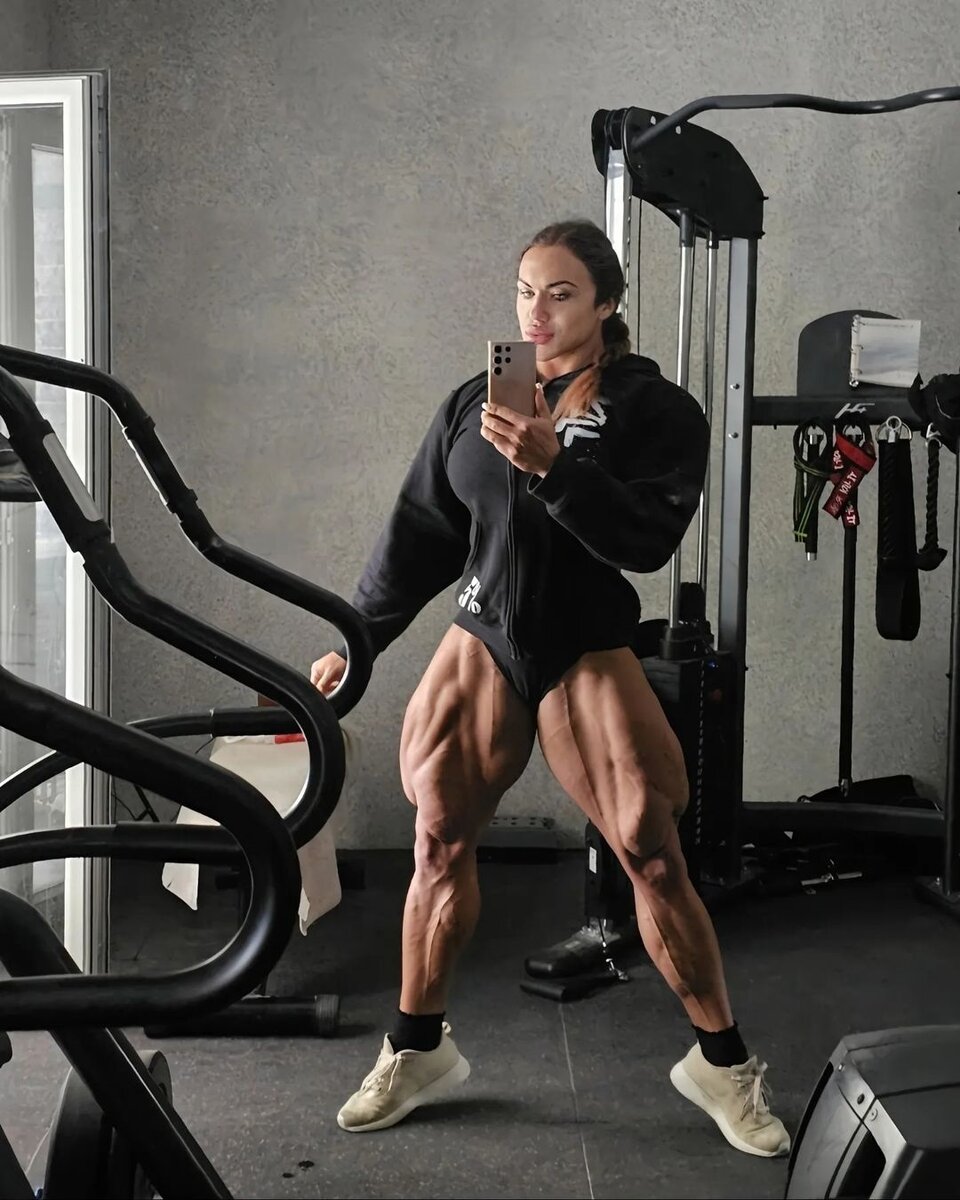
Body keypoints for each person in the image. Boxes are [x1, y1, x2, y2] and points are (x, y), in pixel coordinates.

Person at [310, 219, 789, 1158]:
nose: (537, 311)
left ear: (606, 302)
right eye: (526, 291)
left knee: (650, 847)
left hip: (583, 640)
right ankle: (416, 1048)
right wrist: (354, 645)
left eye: (561, 293)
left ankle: (723, 1065)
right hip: (485, 631)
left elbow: (648, 539)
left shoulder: (657, 408)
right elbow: (418, 534)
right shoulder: (475, 400)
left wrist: (555, 468)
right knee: (437, 837)